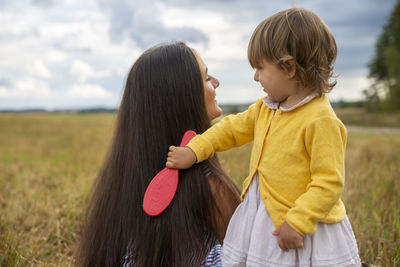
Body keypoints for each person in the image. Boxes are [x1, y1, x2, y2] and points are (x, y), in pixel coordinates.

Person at [166, 8, 361, 266]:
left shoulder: (320, 120)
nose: (256, 76)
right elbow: (230, 130)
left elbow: (328, 183)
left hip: (303, 227)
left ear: (289, 68)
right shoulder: (266, 107)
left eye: (260, 68)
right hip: (266, 218)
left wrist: (298, 221)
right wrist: (195, 150)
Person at [76, 42, 241, 267]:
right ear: (183, 97)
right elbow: (251, 255)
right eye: (205, 78)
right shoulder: (211, 188)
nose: (216, 82)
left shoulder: (121, 183)